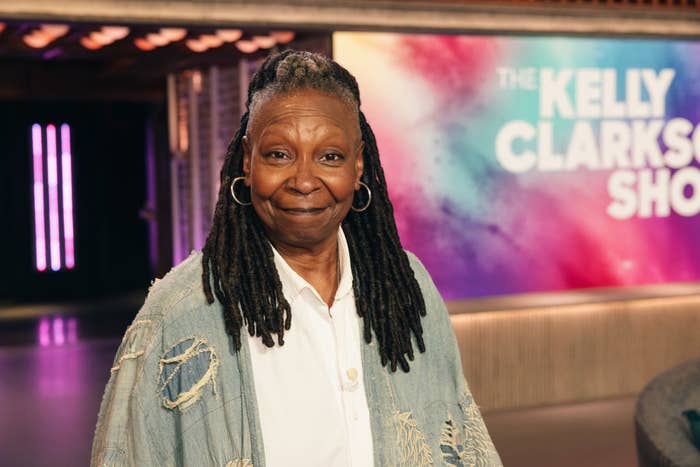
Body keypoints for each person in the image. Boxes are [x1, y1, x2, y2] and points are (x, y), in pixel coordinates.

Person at [91, 50, 501, 467]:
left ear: (358, 165)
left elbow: (458, 438)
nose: (304, 181)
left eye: (330, 157)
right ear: (247, 161)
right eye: (279, 155)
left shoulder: (407, 287)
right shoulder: (181, 312)